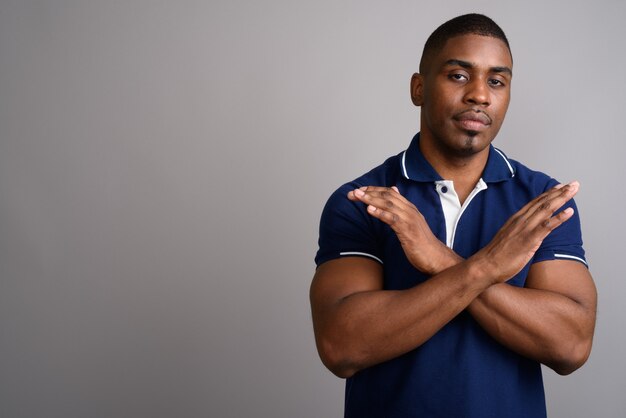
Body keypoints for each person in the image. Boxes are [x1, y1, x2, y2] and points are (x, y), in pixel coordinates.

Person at [310, 13, 597, 418]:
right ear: (419, 88)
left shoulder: (542, 202)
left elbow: (570, 346)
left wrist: (439, 259)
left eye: (496, 81)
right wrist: (487, 267)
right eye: (459, 76)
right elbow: (343, 347)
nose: (480, 95)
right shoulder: (366, 200)